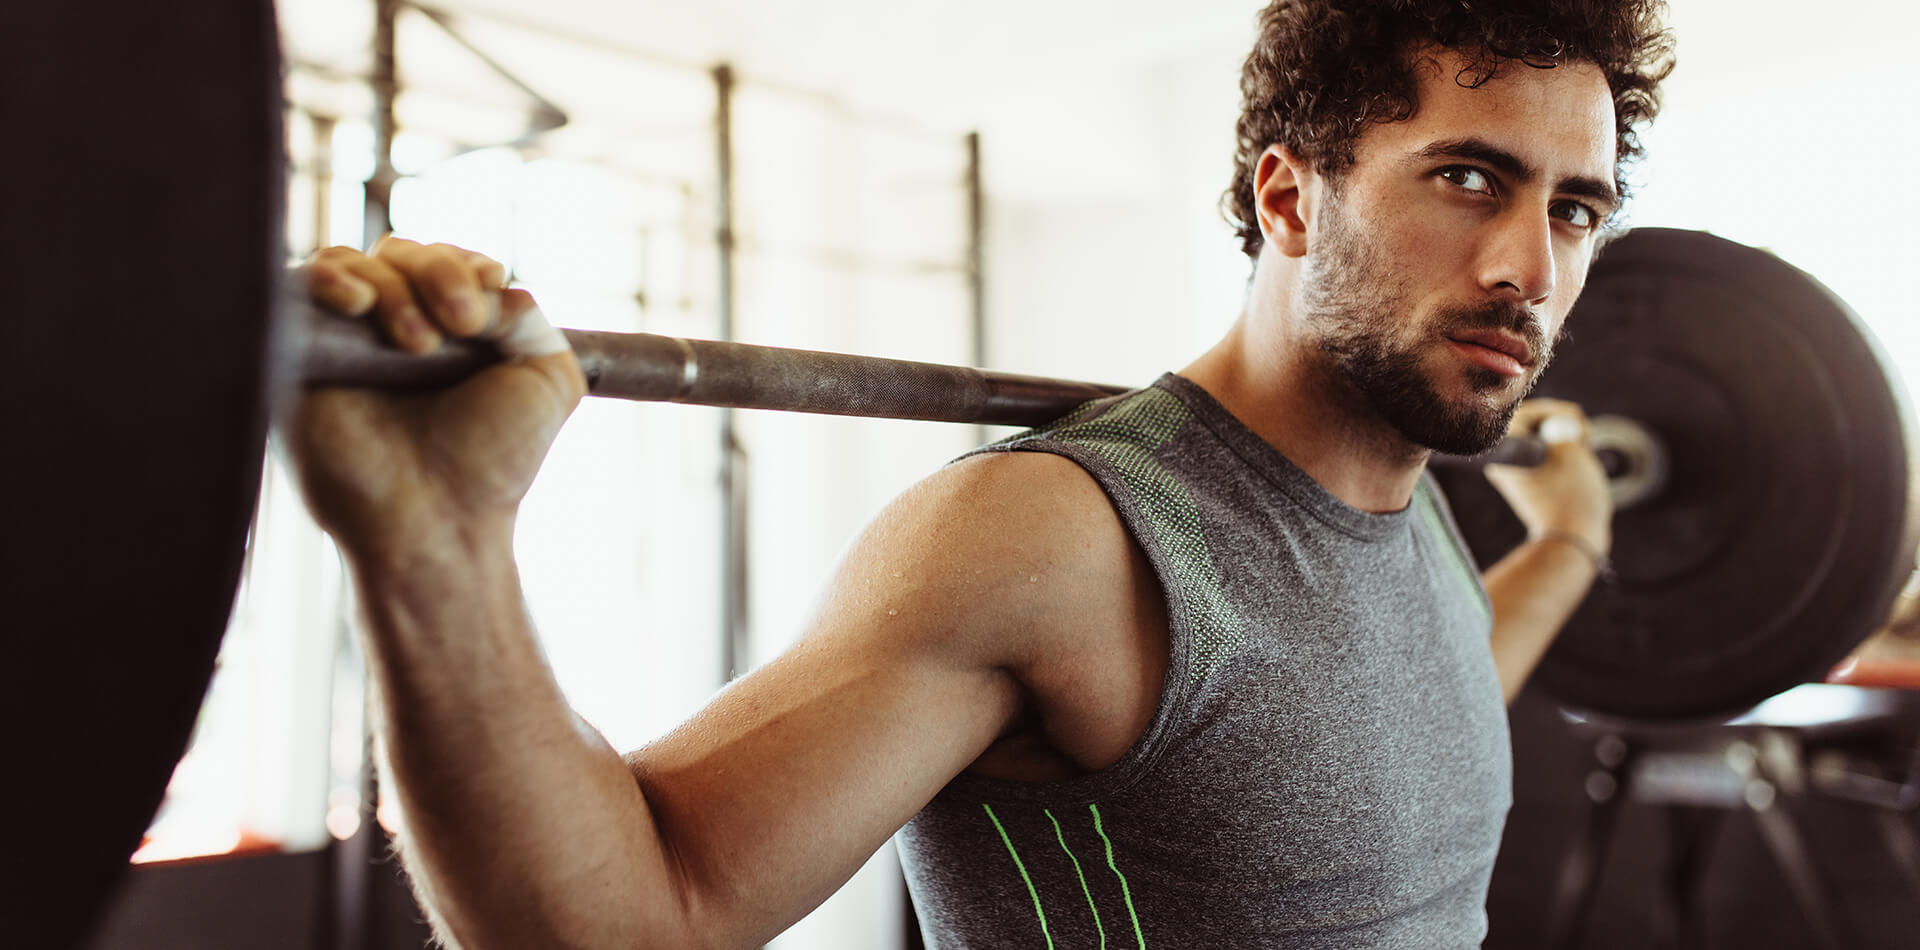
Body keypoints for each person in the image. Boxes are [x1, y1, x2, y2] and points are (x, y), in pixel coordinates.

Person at [289, 0, 1673, 946]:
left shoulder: (1412, 503)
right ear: (1289, 197)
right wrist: (439, 546)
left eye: (1575, 205)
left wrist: (1564, 543)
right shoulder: (1060, 542)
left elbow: (1399, 705)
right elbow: (641, 907)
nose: (1530, 269)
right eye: (1469, 181)